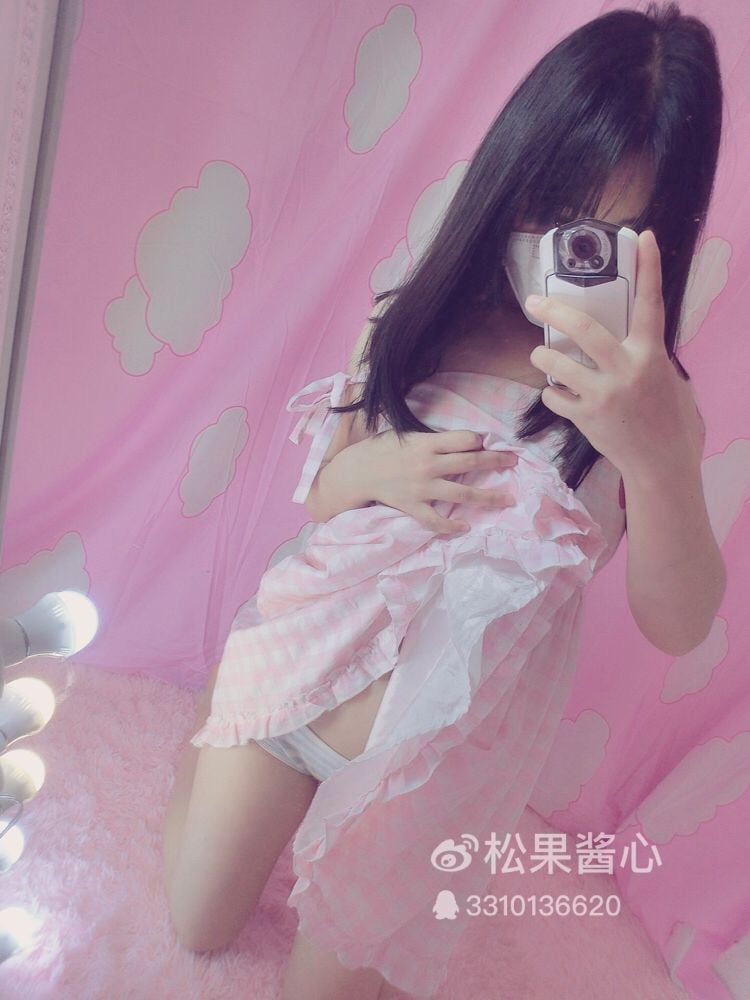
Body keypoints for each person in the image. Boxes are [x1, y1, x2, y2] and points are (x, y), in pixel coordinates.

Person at [162, 4, 726, 998]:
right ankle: (217, 717)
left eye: (601, 236)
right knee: (195, 922)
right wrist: (375, 472)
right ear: (510, 173)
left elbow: (677, 620)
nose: (557, 253)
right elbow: (324, 493)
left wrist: (658, 460)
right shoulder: (417, 318)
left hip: (427, 785)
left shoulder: (648, 408)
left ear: (658, 245)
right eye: (546, 208)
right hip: (298, 669)